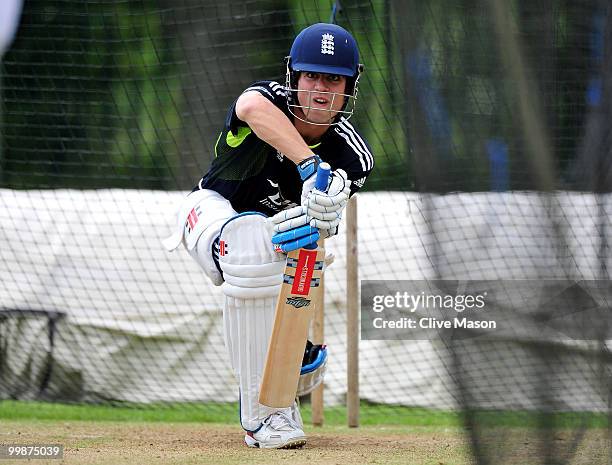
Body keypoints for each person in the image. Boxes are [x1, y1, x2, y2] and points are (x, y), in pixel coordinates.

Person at [163, 22, 374, 449]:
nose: (320, 88)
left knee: (278, 246)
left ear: (349, 86)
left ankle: (293, 364)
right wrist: (311, 166)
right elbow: (250, 107)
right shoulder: (267, 100)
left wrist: (327, 210)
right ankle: (263, 417)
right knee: (250, 243)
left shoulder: (353, 154)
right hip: (208, 215)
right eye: (310, 75)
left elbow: (325, 219)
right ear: (293, 77)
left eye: (332, 78)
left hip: (275, 251)